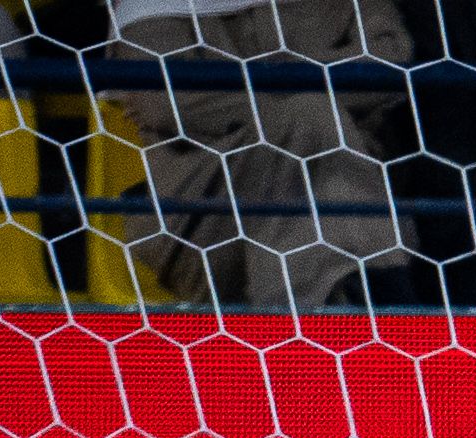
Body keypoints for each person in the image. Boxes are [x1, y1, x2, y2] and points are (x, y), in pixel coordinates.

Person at [107, 0, 422, 309]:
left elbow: (391, 62)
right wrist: (310, 85)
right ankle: (376, 302)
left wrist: (274, 83)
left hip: (346, 186)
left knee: (317, 138)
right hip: (206, 214)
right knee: (311, 121)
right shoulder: (148, 5)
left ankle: (316, 316)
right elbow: (170, 102)